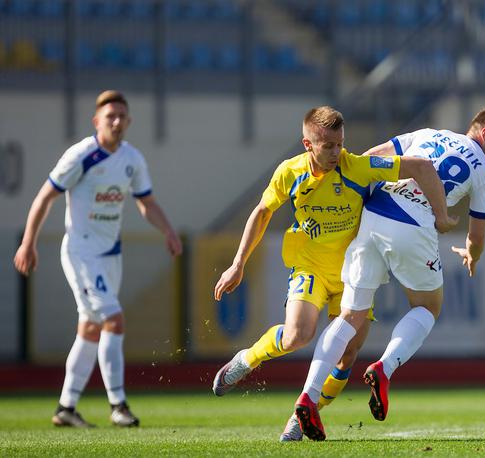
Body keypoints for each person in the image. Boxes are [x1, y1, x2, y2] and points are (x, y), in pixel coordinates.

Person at [211, 106, 455, 441]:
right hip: (310, 265)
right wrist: (238, 263)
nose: (337, 152)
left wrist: (441, 212)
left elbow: (417, 166)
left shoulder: (356, 166)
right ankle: (245, 361)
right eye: (328, 146)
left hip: (353, 272)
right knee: (299, 334)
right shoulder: (290, 172)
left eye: (340, 144)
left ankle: (302, 415)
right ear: (307, 144)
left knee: (348, 354)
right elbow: (263, 211)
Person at [292, 106, 485, 441]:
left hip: (373, 215)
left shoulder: (428, 134)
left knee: (350, 316)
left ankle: (308, 396)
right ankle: (384, 368)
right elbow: (477, 234)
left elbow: (373, 156)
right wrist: (472, 255)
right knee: (428, 307)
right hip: (414, 223)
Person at [14, 90, 183, 428]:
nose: (117, 122)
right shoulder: (81, 156)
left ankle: (66, 407)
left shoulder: (132, 158)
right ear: (97, 121)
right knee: (114, 319)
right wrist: (28, 242)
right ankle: (118, 404)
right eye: (110, 117)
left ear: (129, 121)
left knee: (91, 329)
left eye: (122, 116)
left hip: (110, 255)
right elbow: (45, 196)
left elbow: (145, 202)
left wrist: (168, 230)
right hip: (81, 251)